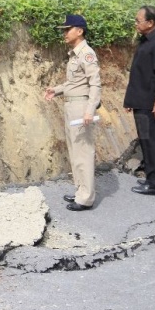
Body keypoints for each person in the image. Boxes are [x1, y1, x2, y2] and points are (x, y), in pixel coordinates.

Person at [45, 14, 102, 211]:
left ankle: (86, 198)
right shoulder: (74, 54)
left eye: (67, 29)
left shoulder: (87, 54)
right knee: (74, 151)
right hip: (71, 105)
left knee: (83, 153)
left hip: (81, 107)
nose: (64, 33)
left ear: (79, 30)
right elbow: (74, 82)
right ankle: (80, 191)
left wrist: (90, 109)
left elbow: (95, 83)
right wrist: (57, 90)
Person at [124, 5, 155, 196]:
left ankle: (153, 184)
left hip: (151, 103)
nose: (136, 23)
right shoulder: (145, 41)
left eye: (138, 20)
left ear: (150, 22)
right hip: (141, 100)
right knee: (147, 140)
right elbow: (141, 74)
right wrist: (131, 100)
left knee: (151, 141)